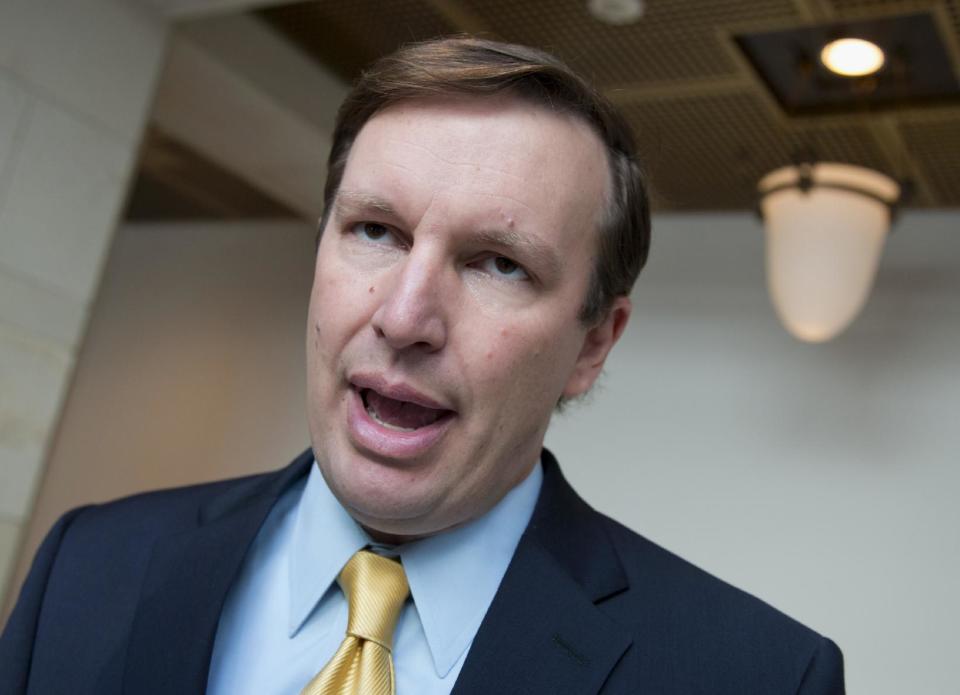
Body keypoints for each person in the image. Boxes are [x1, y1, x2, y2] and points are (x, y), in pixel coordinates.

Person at [0, 37, 844, 694]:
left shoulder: (754, 674)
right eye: (376, 230)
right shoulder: (89, 565)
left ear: (592, 344)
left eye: (498, 263)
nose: (403, 317)